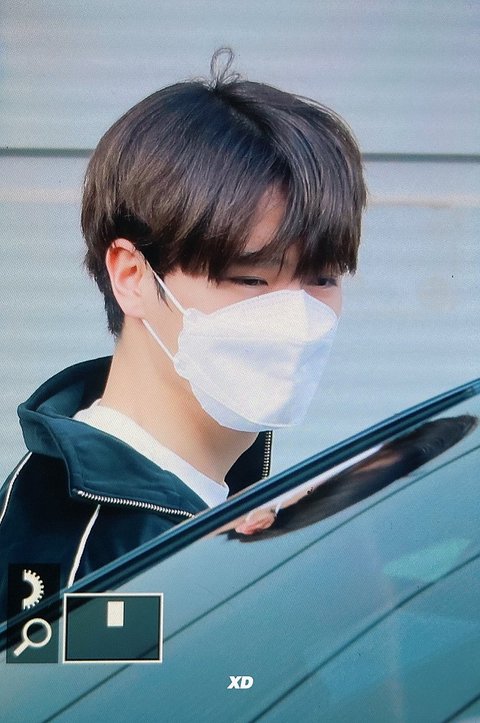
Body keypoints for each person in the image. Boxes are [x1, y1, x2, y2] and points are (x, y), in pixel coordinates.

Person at [0, 49, 366, 609]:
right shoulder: (84, 550)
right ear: (132, 276)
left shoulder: (222, 504)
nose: (297, 318)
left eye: (323, 278)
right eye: (250, 278)